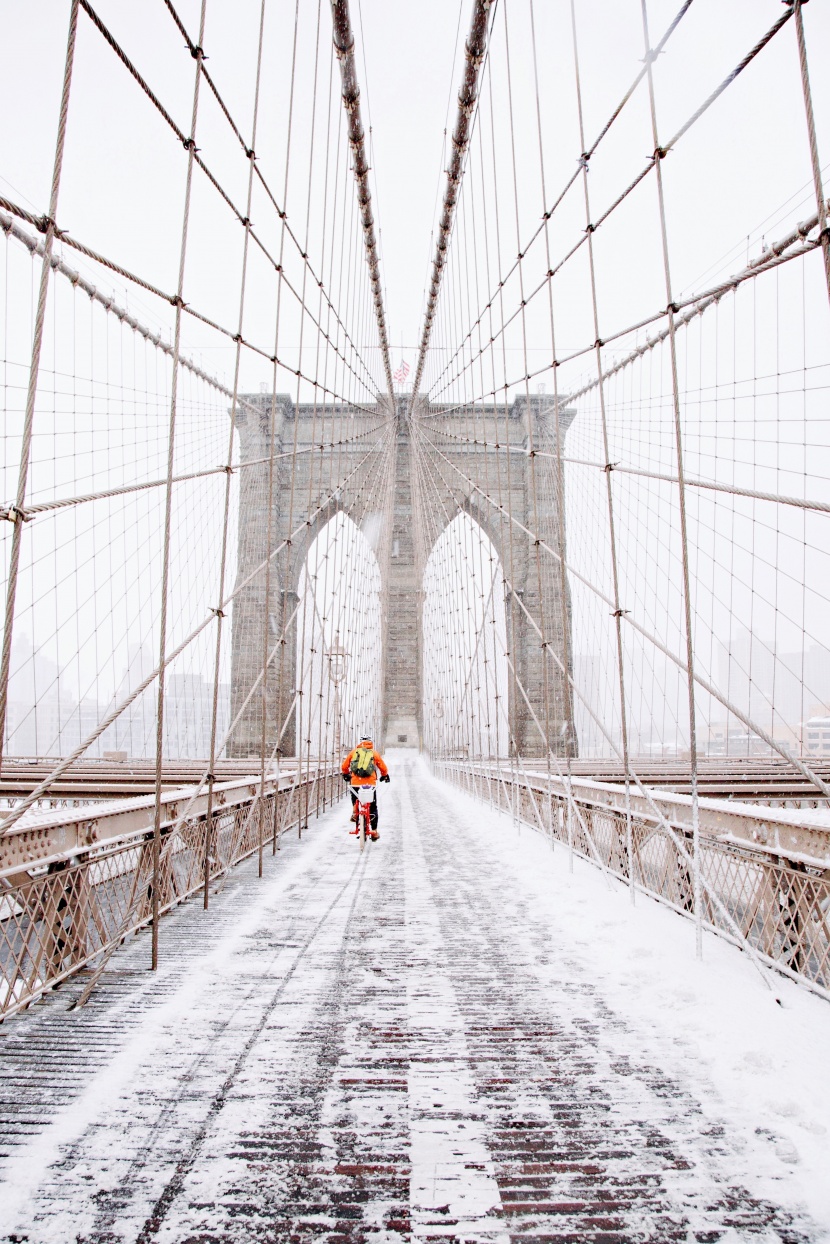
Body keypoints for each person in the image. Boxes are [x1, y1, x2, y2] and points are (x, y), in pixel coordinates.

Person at [341, 734, 389, 840]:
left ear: (360, 742)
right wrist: (385, 775)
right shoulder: (373, 753)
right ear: (370, 742)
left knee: (356, 800)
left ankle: (355, 810)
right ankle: (374, 831)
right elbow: (383, 767)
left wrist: (345, 774)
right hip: (369, 784)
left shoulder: (354, 752)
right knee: (372, 806)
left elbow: (344, 766)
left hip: (355, 783)